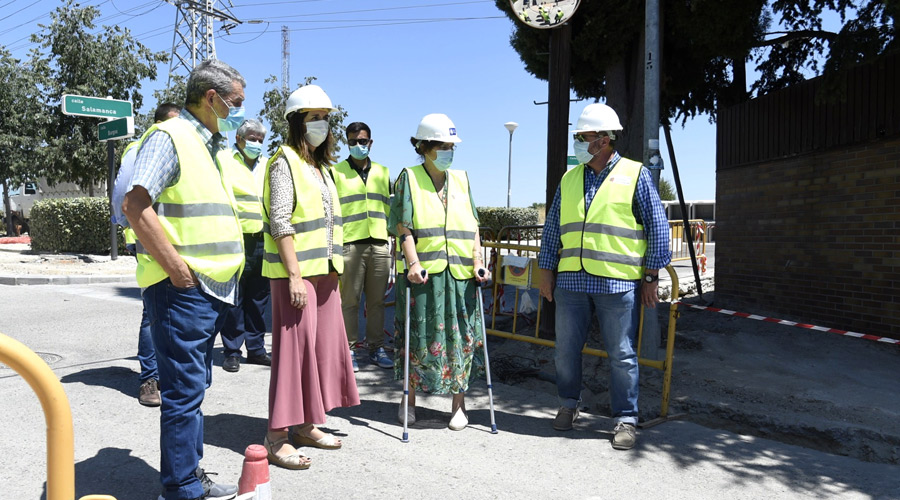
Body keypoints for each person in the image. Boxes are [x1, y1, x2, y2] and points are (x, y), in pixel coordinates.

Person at [123, 59, 247, 500]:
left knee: (193, 390)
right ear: (211, 98)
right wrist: (178, 270)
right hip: (183, 291)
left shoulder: (210, 146)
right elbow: (135, 206)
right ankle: (180, 489)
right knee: (183, 394)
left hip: (210, 289)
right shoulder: (170, 137)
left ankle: (190, 476)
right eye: (236, 102)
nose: (239, 111)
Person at [537, 103, 671, 450]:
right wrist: (546, 271)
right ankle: (568, 405)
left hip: (617, 282)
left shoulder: (635, 174)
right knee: (566, 350)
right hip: (571, 282)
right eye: (579, 137)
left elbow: (658, 227)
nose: (579, 142)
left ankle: (625, 418)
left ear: (605, 140)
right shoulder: (569, 178)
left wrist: (652, 275)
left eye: (584, 137)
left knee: (622, 355)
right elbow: (553, 228)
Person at [261, 84, 360, 470]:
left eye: (325, 117)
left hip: (325, 276)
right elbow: (280, 222)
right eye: (314, 117)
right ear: (296, 122)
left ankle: (304, 425)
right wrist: (295, 277)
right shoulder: (283, 161)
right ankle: (275, 436)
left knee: (317, 354)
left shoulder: (322, 169)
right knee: (292, 356)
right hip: (297, 277)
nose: (321, 124)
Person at [389, 113, 491, 431]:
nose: (449, 152)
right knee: (419, 338)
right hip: (425, 275)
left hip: (461, 275)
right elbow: (402, 227)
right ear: (425, 147)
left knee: (461, 338)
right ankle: (409, 401)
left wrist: (478, 261)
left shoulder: (462, 179)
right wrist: (413, 263)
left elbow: (473, 225)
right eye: (443, 146)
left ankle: (459, 406)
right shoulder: (409, 177)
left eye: (452, 146)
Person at [121, 102, 181, 407]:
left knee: (168, 311)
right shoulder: (142, 148)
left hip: (173, 243)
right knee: (152, 312)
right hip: (148, 243)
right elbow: (125, 199)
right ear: (157, 124)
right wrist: (133, 234)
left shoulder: (180, 145)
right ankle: (150, 379)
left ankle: (166, 374)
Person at [331, 122, 392, 372]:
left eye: (363, 141)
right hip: (350, 244)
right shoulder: (336, 172)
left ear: (371, 142)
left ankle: (377, 348)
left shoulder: (384, 172)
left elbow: (391, 207)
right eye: (354, 142)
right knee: (349, 301)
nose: (359, 145)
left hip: (378, 243)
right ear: (347, 143)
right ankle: (349, 349)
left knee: (377, 302)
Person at [219, 118, 272, 373]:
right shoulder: (224, 161)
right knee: (234, 298)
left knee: (259, 299)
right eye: (252, 138)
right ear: (239, 139)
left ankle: (257, 348)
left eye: (260, 140)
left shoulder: (268, 165)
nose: (257, 144)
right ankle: (232, 351)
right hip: (236, 239)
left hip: (264, 239)